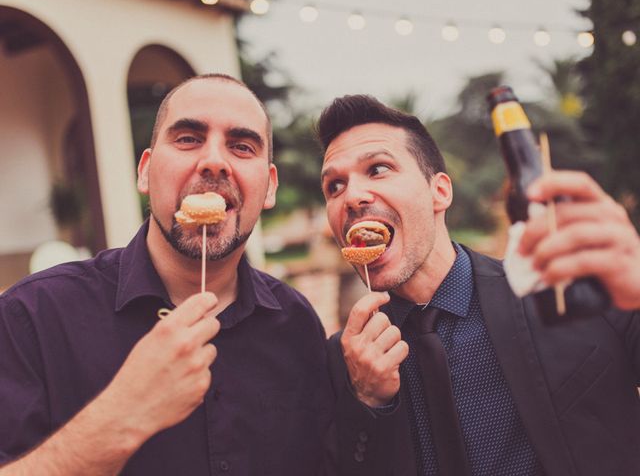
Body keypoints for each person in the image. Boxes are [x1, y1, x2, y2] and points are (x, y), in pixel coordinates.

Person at [0, 74, 334, 475]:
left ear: (269, 188)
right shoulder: (31, 317)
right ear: (145, 172)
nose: (214, 161)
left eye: (242, 146)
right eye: (188, 139)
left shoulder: (295, 323)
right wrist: (123, 415)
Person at [317, 94, 640, 476]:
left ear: (440, 192)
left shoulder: (568, 290)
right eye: (334, 186)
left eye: (378, 169)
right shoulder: (340, 362)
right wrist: (369, 403)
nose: (352, 196)